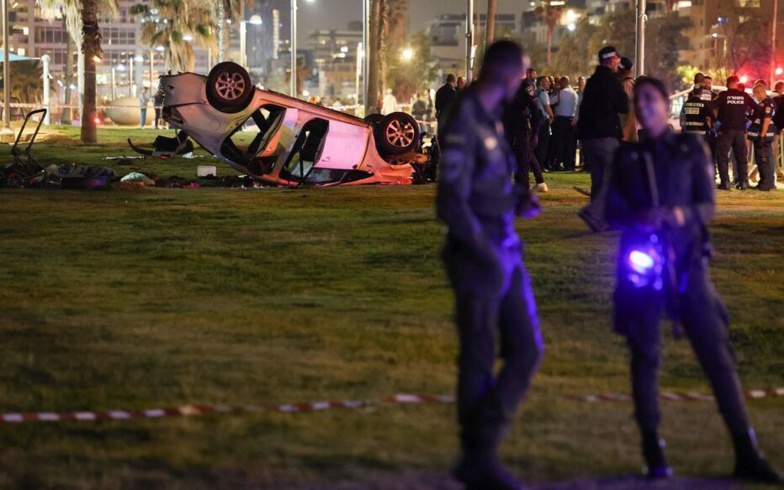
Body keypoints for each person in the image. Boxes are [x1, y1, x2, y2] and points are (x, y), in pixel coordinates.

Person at [605, 76, 782, 484]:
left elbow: (707, 205)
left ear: (666, 104)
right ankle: (653, 451)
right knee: (645, 359)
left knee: (718, 358)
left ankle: (745, 449)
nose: (644, 106)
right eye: (638, 101)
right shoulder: (628, 158)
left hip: (687, 264)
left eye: (651, 99)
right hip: (642, 270)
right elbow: (611, 212)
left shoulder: (687, 148)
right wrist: (638, 218)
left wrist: (681, 215)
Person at [437, 39, 544, 490]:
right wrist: (487, 253)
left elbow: (485, 185)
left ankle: (482, 437)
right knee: (480, 353)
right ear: (505, 74)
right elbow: (450, 203)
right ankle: (477, 457)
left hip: (505, 246)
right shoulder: (465, 119)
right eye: (522, 74)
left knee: (527, 347)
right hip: (479, 255)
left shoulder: (489, 119)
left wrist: (516, 199)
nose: (524, 83)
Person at [576, 46, 629, 232]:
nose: (618, 62)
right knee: (617, 172)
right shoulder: (611, 80)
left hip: (589, 136)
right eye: (616, 59)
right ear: (610, 60)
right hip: (604, 134)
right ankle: (594, 212)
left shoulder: (593, 81)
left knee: (599, 176)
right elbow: (624, 106)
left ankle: (599, 221)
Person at [503, 73, 547, 192]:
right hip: (506, 129)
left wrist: (535, 133)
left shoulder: (526, 86)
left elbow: (536, 111)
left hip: (521, 129)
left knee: (521, 163)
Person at [715, 76, 758, 190]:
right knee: (741, 156)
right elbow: (757, 108)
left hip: (726, 130)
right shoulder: (744, 95)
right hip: (740, 130)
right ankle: (743, 182)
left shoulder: (723, 95)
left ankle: (725, 182)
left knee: (722, 155)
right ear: (737, 84)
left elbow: (711, 106)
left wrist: (716, 120)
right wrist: (748, 118)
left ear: (727, 84)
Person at [748, 84, 777, 191]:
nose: (754, 97)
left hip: (764, 136)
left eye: (755, 94)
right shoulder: (762, 103)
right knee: (761, 160)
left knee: (764, 159)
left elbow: (766, 120)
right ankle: (763, 181)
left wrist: (762, 136)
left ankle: (766, 184)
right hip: (761, 135)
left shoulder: (768, 103)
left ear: (758, 92)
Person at [549, 76, 578, 171]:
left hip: (561, 120)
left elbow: (550, 101)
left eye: (560, 83)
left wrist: (555, 91)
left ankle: (557, 164)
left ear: (564, 82)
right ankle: (568, 164)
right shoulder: (575, 93)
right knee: (569, 144)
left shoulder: (561, 93)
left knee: (559, 142)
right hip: (571, 120)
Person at [533, 76, 554, 171]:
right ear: (541, 83)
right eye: (547, 82)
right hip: (544, 120)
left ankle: (534, 165)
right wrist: (552, 116)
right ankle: (540, 166)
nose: (549, 83)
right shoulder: (543, 93)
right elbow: (547, 107)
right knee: (543, 144)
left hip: (537, 120)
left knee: (537, 143)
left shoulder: (536, 92)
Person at [619, 57, 638, 142]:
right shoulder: (634, 84)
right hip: (632, 131)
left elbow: (625, 110)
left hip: (626, 133)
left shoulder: (625, 85)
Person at [435, 74, 459, 143]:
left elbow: (437, 106)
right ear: (454, 81)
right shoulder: (453, 93)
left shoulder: (439, 91)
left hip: (441, 119)